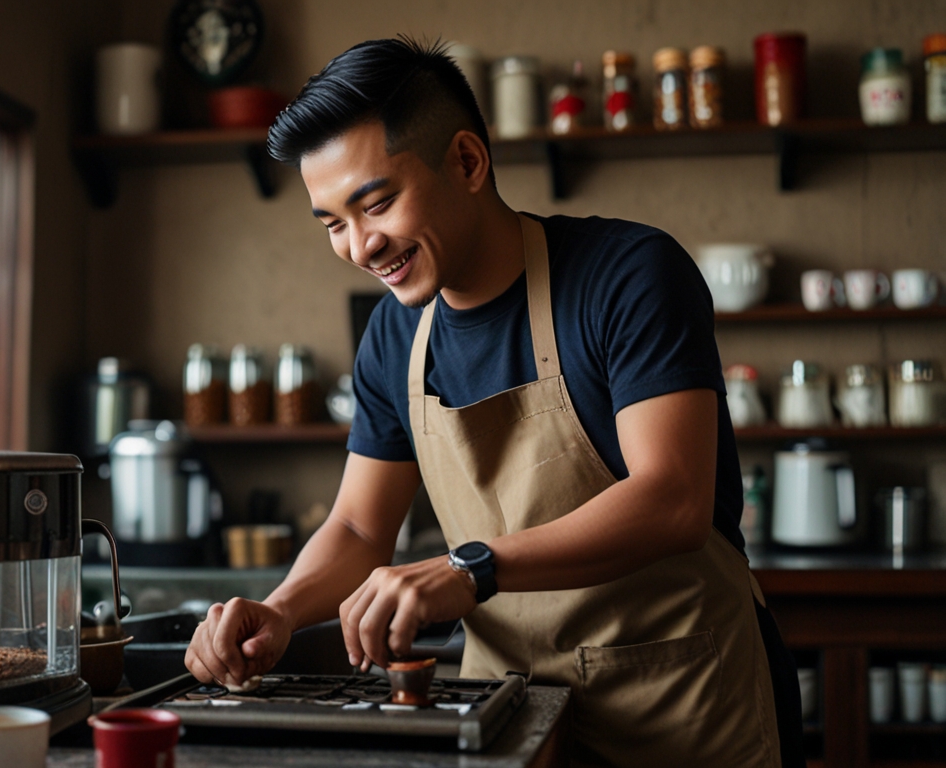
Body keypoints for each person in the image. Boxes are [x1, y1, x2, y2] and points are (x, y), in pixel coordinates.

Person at [183, 37, 803, 767]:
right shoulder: (395, 332)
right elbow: (356, 524)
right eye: (332, 224)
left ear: (468, 163)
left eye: (375, 203)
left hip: (681, 701)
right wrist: (281, 611)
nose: (359, 246)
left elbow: (672, 498)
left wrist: (467, 568)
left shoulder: (628, 275)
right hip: (508, 714)